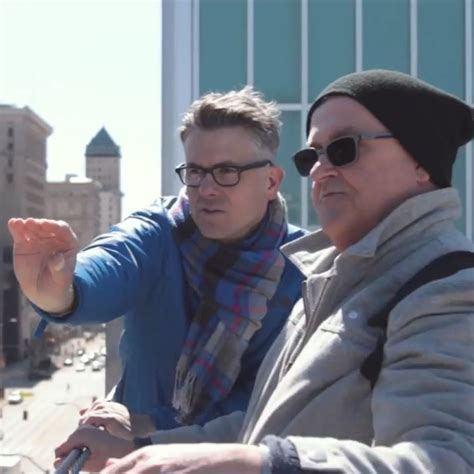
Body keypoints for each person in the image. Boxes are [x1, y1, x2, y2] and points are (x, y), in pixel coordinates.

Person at [54, 69, 474, 474]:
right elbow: (266, 421)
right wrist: (141, 448)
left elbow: (448, 461)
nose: (321, 170)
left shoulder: (449, 290)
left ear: (421, 162)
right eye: (312, 156)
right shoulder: (331, 279)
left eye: (344, 148)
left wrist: (263, 465)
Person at [8, 87, 306, 434]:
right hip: (133, 457)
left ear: (271, 181)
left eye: (227, 172)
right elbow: (113, 261)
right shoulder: (161, 230)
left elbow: (275, 400)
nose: (206, 189)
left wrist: (151, 426)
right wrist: (59, 291)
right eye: (195, 172)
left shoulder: (305, 270)